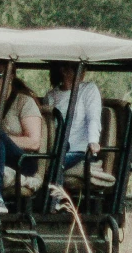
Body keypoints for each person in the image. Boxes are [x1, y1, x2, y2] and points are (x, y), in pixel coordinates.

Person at [0, 65, 46, 214]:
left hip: (22, 161)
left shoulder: (24, 102)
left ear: (11, 76)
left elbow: (34, 142)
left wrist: (1, 137)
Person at [44, 63, 104, 206]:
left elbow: (93, 118)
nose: (83, 72)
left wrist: (93, 140)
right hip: (56, 147)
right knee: (49, 159)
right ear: (63, 69)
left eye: (84, 68)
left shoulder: (88, 90)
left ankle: (54, 202)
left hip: (79, 150)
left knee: (58, 162)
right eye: (77, 68)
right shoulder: (51, 96)